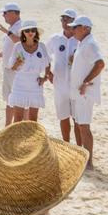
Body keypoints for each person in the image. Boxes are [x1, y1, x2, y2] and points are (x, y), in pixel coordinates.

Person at [67, 16, 104, 169]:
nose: (72, 30)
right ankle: (84, 158)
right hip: (79, 93)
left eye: (75, 27)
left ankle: (88, 163)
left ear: (85, 28)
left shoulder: (91, 44)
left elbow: (100, 64)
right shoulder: (84, 43)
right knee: (80, 124)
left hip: (85, 93)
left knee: (84, 126)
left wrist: (86, 82)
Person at [5, 21, 50, 123]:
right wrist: (17, 63)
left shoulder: (42, 46)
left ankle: (31, 139)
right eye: (27, 30)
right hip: (20, 85)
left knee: (33, 119)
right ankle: (17, 139)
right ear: (23, 33)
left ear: (36, 32)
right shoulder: (18, 46)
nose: (30, 32)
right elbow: (12, 67)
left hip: (35, 85)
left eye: (33, 30)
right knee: (18, 119)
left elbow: (48, 64)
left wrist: (45, 78)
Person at [44, 9, 77, 142]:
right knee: (63, 117)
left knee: (78, 119)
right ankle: (66, 144)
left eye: (67, 19)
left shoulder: (79, 40)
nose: (64, 22)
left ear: (74, 22)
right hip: (60, 85)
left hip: (76, 86)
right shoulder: (55, 38)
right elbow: (44, 55)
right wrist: (48, 72)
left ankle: (79, 148)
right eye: (63, 19)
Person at [0, 2, 23, 127]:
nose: (3, 16)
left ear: (13, 13)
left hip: (17, 71)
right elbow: (11, 48)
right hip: (7, 69)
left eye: (5, 13)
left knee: (19, 102)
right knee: (9, 101)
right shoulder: (12, 28)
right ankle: (7, 127)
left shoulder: (21, 27)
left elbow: (21, 42)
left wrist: (7, 32)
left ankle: (20, 128)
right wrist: (0, 54)